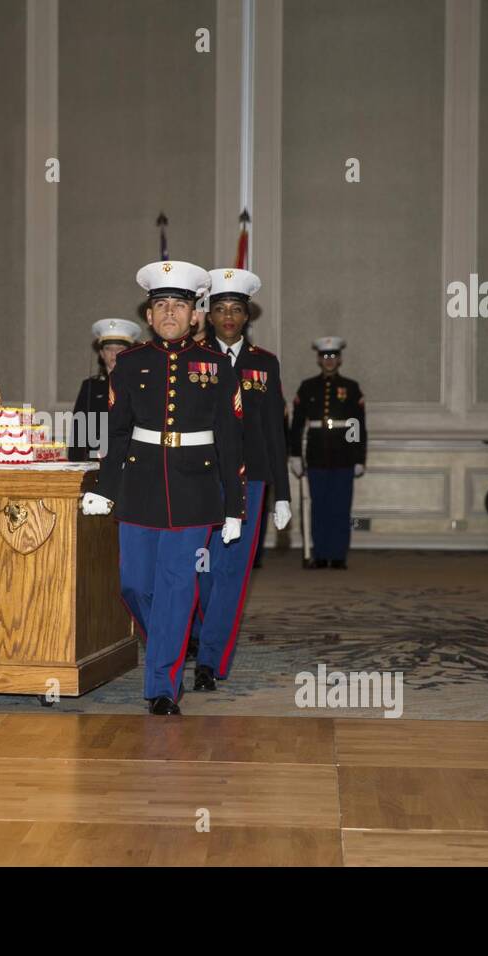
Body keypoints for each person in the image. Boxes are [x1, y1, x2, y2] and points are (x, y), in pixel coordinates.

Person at [81, 260, 244, 716]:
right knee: (133, 584)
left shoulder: (216, 365)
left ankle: (162, 687)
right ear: (148, 316)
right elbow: (116, 432)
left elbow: (231, 441)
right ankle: (173, 641)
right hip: (139, 485)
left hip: (195, 491)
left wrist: (235, 506)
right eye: (160, 305)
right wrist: (106, 487)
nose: (170, 312)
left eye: (180, 304)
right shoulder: (130, 364)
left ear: (196, 315)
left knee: (176, 585)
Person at [194, 268, 292, 689]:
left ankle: (209, 662)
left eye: (237, 309)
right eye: (221, 308)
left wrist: (282, 495)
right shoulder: (194, 359)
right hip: (198, 479)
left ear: (247, 315)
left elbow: (275, 433)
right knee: (201, 570)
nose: (229, 316)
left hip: (251, 481)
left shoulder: (264, 364)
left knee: (232, 574)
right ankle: (197, 637)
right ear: (208, 315)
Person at [288, 337, 367, 569]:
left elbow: (356, 424)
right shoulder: (307, 387)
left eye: (333, 356)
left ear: (340, 359)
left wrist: (358, 458)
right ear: (318, 359)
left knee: (340, 508)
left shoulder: (351, 388)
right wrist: (295, 455)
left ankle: (338, 554)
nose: (329, 360)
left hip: (343, 456)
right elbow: (297, 425)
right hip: (316, 455)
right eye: (325, 356)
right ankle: (321, 554)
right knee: (319, 507)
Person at [69, 318, 140, 462]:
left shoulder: (140, 385)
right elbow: (79, 429)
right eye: (108, 349)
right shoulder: (91, 386)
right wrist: (76, 464)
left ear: (129, 352)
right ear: (101, 353)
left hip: (130, 462)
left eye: (119, 348)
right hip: (96, 460)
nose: (114, 354)